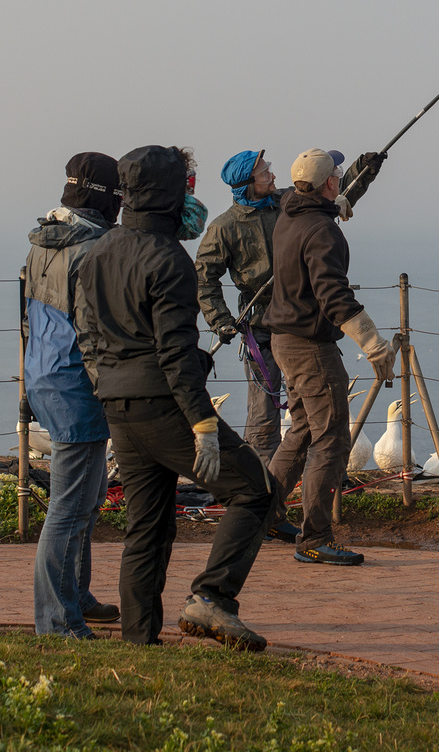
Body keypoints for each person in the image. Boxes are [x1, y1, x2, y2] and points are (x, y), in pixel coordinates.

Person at [73, 144, 278, 648]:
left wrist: (108, 387)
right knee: (255, 489)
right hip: (167, 405)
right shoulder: (169, 259)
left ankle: (139, 639)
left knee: (147, 526)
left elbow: (88, 335)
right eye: (187, 187)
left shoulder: (96, 252)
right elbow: (175, 353)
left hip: (118, 406)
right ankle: (212, 598)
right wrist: (203, 425)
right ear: (170, 194)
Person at [265, 148, 395, 566]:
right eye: (338, 173)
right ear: (327, 183)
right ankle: (315, 538)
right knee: (331, 438)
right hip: (311, 347)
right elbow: (334, 295)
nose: (339, 177)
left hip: (283, 340)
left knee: (301, 429)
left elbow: (320, 209)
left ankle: (262, 514)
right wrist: (373, 344)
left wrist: (345, 194)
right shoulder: (322, 231)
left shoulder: (290, 213)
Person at [24, 152, 122, 638]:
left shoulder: (41, 241)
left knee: (90, 494)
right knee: (69, 506)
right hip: (78, 386)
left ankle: (76, 594)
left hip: (44, 375)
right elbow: (95, 331)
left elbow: (29, 319)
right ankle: (58, 620)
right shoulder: (95, 250)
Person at [195, 150, 292, 469]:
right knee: (263, 414)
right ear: (249, 183)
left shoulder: (288, 204)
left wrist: (364, 171)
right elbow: (205, 277)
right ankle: (263, 483)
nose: (273, 176)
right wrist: (220, 320)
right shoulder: (225, 227)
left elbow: (330, 194)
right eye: (265, 173)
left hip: (299, 323)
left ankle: (301, 475)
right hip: (260, 327)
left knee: (310, 406)